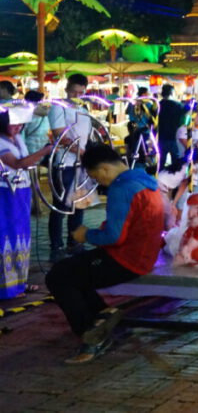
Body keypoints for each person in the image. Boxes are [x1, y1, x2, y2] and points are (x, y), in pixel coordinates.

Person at [45, 143, 164, 364]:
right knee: (75, 271)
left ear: (105, 169)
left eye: (96, 178)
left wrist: (86, 235)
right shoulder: (145, 181)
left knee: (58, 276)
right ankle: (102, 318)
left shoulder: (122, 188)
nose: (99, 183)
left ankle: (91, 335)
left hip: (126, 260)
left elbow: (114, 237)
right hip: (143, 255)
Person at [0, 104, 53, 298]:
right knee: (7, 237)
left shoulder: (18, 138)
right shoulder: (0, 142)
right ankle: (7, 288)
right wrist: (44, 152)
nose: (18, 128)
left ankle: (19, 282)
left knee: (22, 237)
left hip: (21, 191)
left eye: (21, 125)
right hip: (6, 193)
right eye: (14, 125)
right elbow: (18, 163)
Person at [47, 73, 93, 262]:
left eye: (81, 92)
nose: (77, 95)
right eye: (74, 91)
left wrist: (88, 154)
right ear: (67, 89)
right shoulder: (58, 107)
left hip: (81, 164)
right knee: (60, 206)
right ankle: (56, 246)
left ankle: (74, 242)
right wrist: (80, 152)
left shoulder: (83, 107)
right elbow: (60, 134)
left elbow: (87, 134)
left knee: (80, 204)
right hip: (64, 163)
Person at [156, 84, 185, 165]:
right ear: (172, 93)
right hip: (174, 137)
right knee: (176, 164)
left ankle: (159, 177)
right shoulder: (178, 106)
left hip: (160, 138)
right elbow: (183, 122)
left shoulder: (157, 105)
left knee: (160, 163)